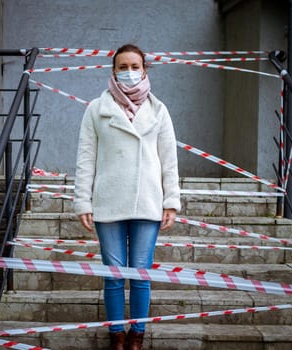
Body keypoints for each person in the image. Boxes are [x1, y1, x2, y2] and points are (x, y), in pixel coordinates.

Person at [74, 44, 181, 350]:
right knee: (113, 275)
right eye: (123, 66)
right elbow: (86, 158)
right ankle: (116, 334)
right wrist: (83, 200)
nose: (129, 72)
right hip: (108, 204)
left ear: (145, 70)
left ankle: (137, 333)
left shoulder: (159, 110)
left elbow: (168, 158)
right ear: (114, 70)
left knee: (141, 273)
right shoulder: (96, 109)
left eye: (135, 66)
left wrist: (171, 200)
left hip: (148, 203)